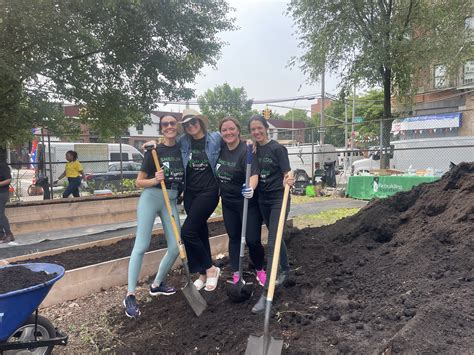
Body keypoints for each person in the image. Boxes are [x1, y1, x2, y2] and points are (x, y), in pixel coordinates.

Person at [124, 114, 185, 318]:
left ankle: (157, 284)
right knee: (141, 245)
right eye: (165, 124)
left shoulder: (182, 148)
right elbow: (138, 182)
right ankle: (130, 294)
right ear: (161, 128)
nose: (169, 126)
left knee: (176, 247)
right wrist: (154, 180)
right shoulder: (154, 151)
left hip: (172, 200)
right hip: (151, 198)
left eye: (172, 123)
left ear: (177, 127)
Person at [248, 115, 295, 314]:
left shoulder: (277, 149)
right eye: (253, 129)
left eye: (260, 128)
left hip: (278, 198)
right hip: (262, 200)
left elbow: (288, 173)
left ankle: (267, 292)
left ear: (266, 128)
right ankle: (285, 269)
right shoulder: (255, 149)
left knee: (273, 242)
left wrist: (289, 180)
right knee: (275, 238)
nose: (257, 132)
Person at [216, 117, 266, 286]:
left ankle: (259, 268)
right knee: (234, 238)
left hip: (246, 203)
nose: (228, 132)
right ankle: (237, 272)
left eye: (231, 129)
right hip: (228, 203)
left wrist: (251, 188)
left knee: (252, 239)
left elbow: (253, 174)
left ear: (238, 130)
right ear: (221, 133)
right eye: (224, 130)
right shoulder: (220, 147)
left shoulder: (246, 150)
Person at [179, 109, 222, 292]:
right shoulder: (183, 142)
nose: (191, 126)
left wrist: (250, 143)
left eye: (193, 122)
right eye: (187, 124)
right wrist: (151, 146)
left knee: (187, 232)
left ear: (200, 122)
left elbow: (234, 141)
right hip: (190, 193)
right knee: (199, 230)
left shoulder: (215, 138)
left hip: (209, 191)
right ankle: (203, 274)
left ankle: (212, 269)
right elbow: (167, 143)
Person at [0, 162, 14, 243]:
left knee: (0, 214)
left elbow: (9, 180)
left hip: (2, 193)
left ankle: (9, 234)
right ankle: (1, 235)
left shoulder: (2, 166)